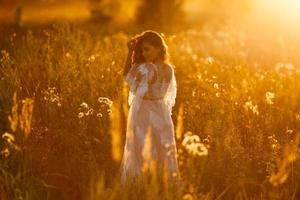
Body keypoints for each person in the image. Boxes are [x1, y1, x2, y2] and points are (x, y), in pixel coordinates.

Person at [119, 30, 183, 192]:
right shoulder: (149, 68)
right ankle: (141, 185)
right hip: (148, 111)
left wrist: (131, 55)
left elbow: (128, 75)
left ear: (158, 49)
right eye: (141, 50)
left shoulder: (162, 69)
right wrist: (130, 52)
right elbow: (127, 76)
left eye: (147, 49)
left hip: (156, 111)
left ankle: (161, 185)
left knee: (162, 146)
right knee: (142, 147)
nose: (143, 53)